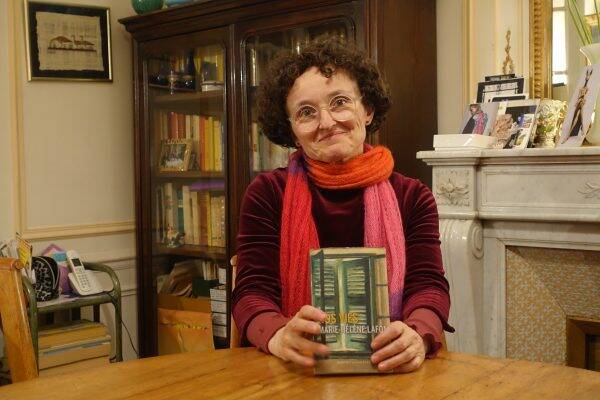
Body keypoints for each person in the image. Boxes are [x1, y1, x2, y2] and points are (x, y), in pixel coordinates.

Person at [232, 38, 452, 373]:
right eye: (306, 112)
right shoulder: (267, 193)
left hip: (390, 368)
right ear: (291, 130)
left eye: (340, 102)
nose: (326, 122)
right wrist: (277, 335)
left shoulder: (413, 196)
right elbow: (251, 291)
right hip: (294, 370)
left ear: (368, 110)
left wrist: (416, 335)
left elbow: (428, 286)